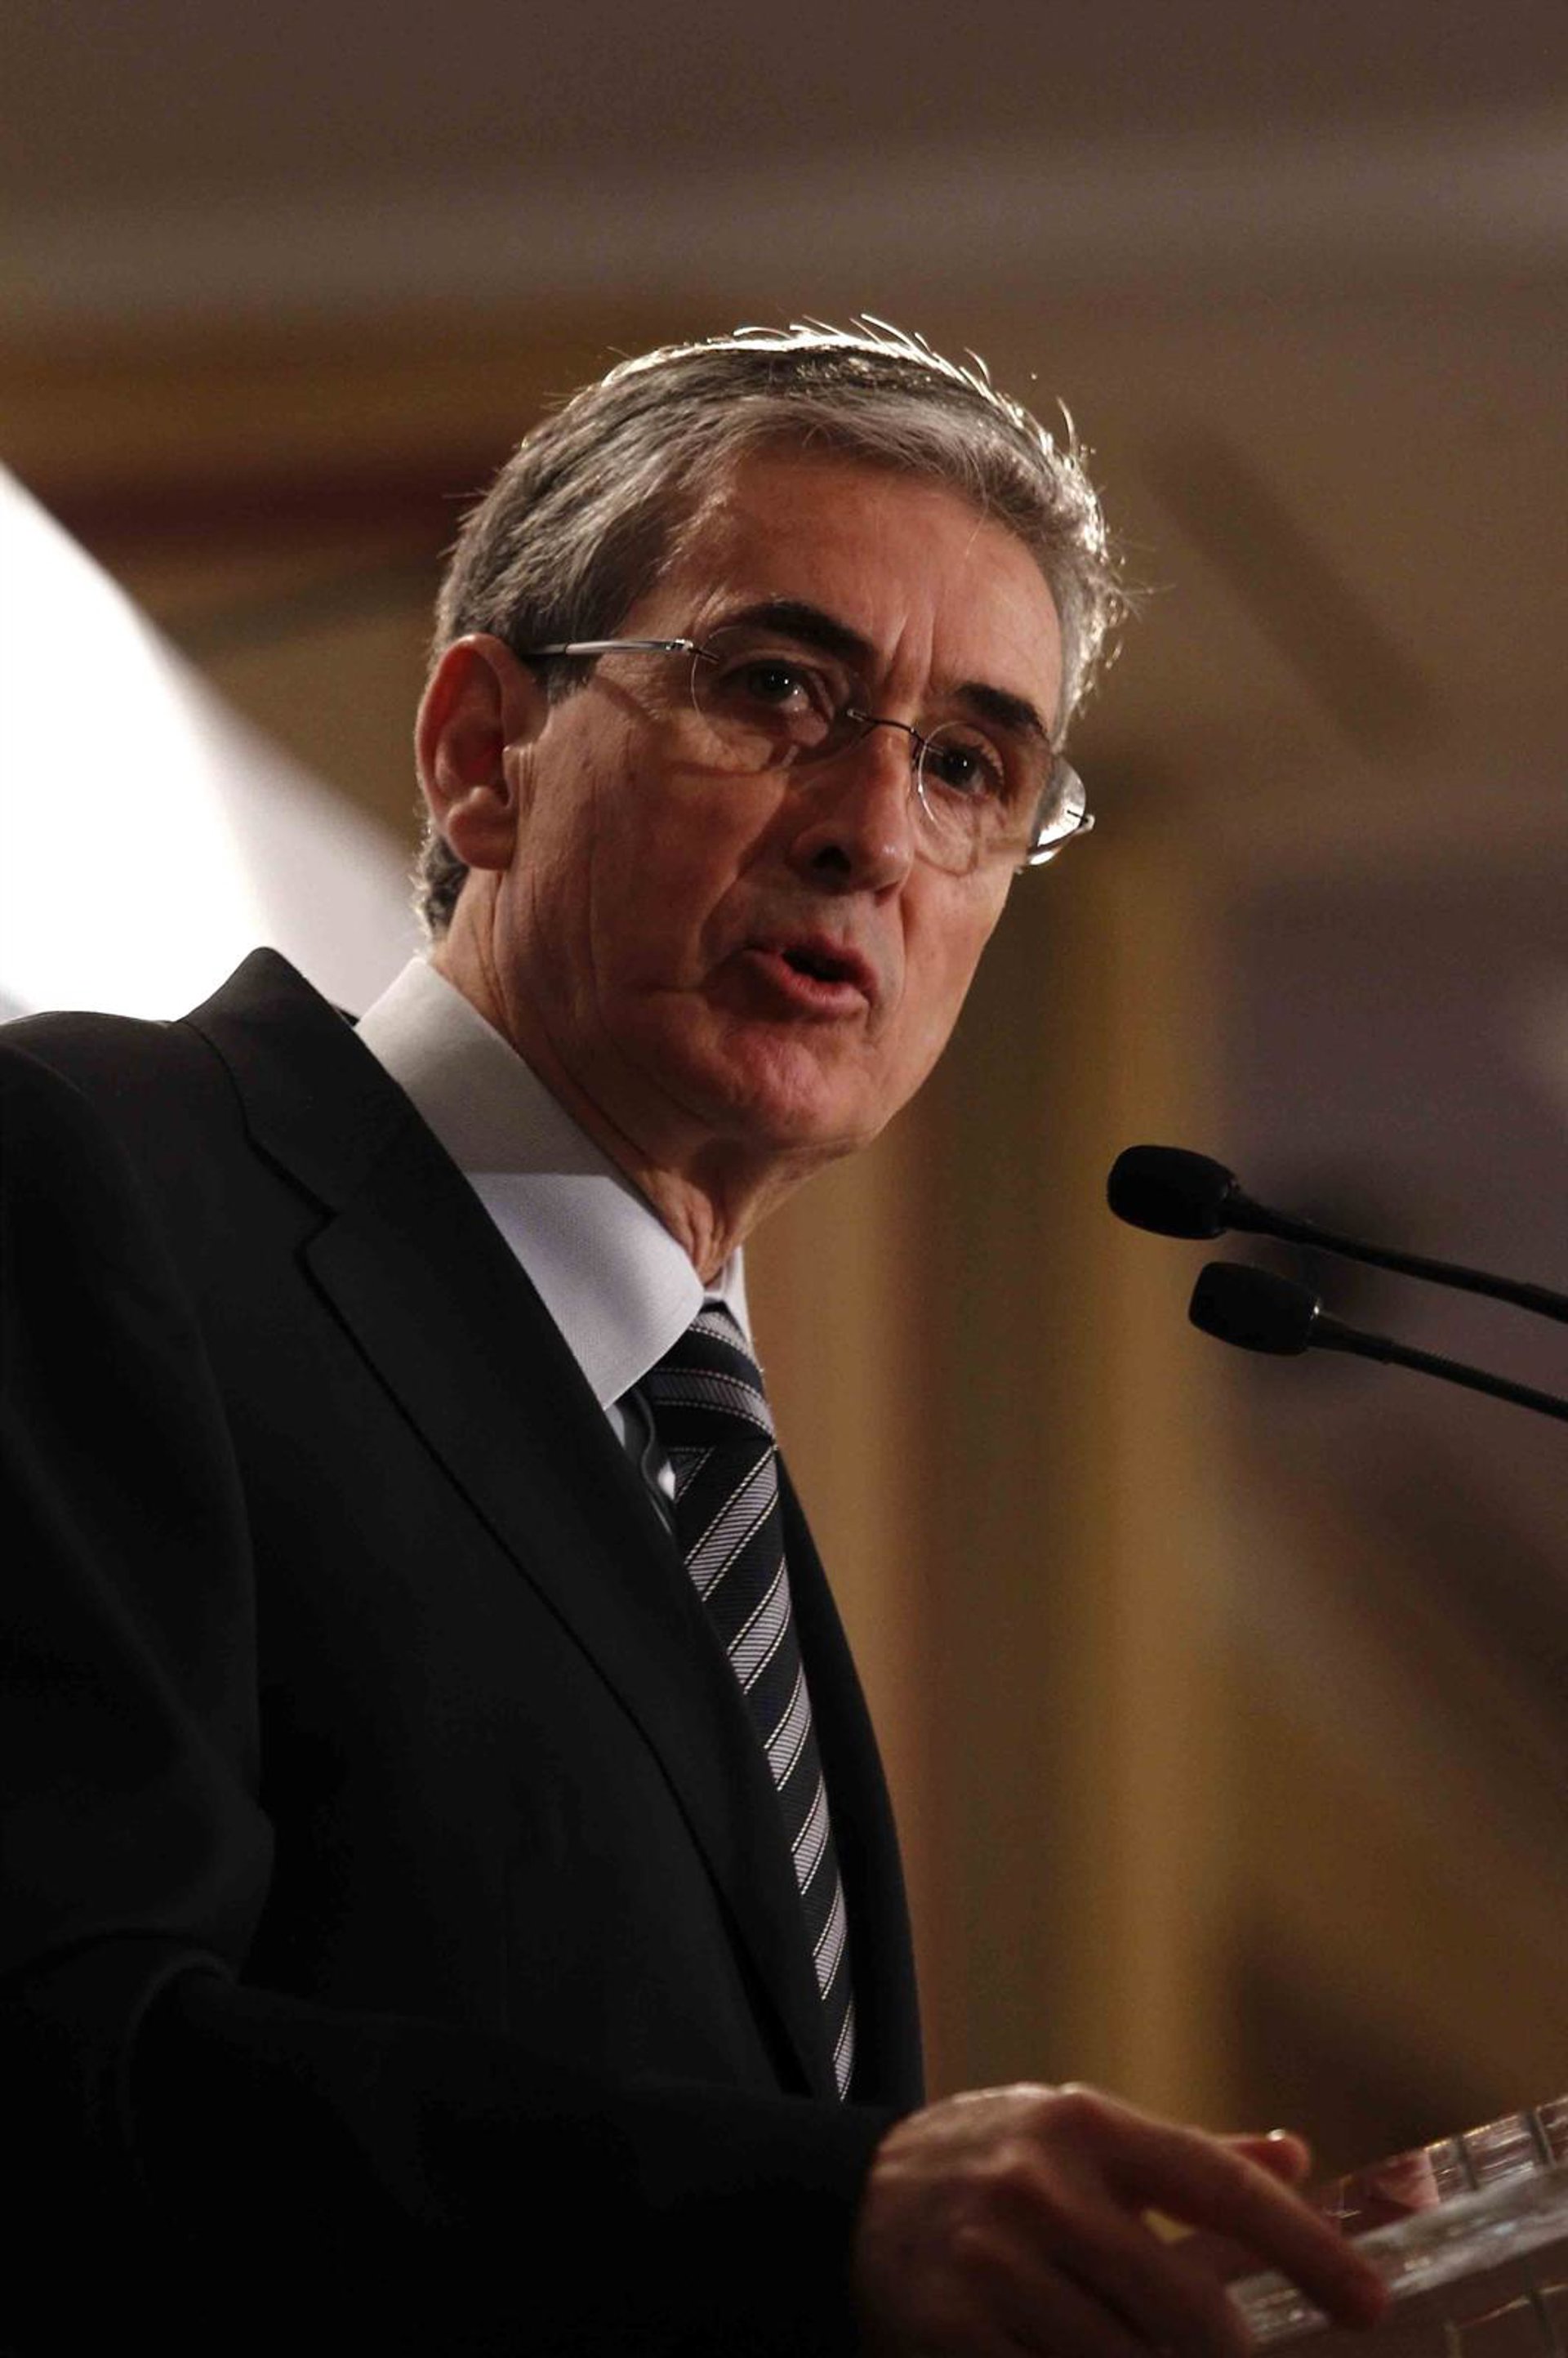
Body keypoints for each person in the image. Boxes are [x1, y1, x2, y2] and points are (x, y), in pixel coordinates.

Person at [0, 323, 1384, 2356]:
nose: (873, 832)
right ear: (484, 750)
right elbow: (58, 2062)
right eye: (777, 689)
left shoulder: (693, 1450)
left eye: (969, 766)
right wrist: (828, 2214)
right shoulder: (94, 1176)